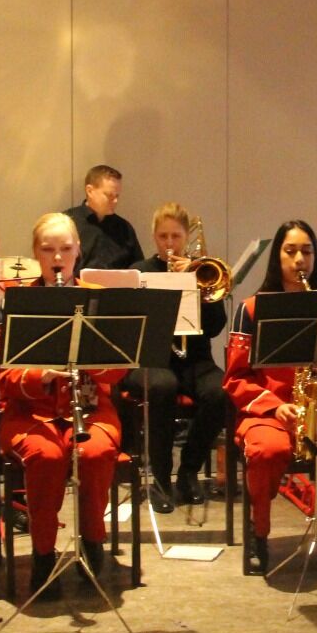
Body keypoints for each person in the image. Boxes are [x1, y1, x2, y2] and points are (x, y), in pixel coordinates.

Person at [0, 212, 130, 597]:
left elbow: (118, 371)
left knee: (94, 453)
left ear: (78, 251)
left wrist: (92, 358)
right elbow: (4, 376)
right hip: (30, 411)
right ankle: (43, 555)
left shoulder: (98, 298)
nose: (57, 258)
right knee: (47, 457)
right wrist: (41, 376)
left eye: (66, 249)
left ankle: (92, 543)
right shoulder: (17, 302)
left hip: (89, 406)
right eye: (48, 249)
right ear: (36, 254)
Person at [224, 220, 317, 575]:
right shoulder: (252, 309)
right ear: (277, 258)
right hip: (267, 411)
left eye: (307, 251)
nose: (299, 259)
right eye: (291, 251)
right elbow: (236, 378)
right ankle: (259, 532)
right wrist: (274, 405)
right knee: (267, 451)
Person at [121, 203, 229, 513]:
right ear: (154, 236)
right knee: (162, 386)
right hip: (151, 359)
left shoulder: (202, 270)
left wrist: (196, 286)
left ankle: (188, 472)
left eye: (176, 236)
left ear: (185, 238)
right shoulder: (140, 272)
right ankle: (160, 478)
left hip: (195, 359)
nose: (169, 244)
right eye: (163, 236)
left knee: (220, 391)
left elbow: (216, 326)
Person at [65, 163, 143, 271]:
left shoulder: (124, 228)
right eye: (109, 195)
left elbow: (137, 269)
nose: (115, 201)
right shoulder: (66, 222)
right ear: (90, 191)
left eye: (117, 196)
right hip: (78, 286)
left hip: (117, 287)